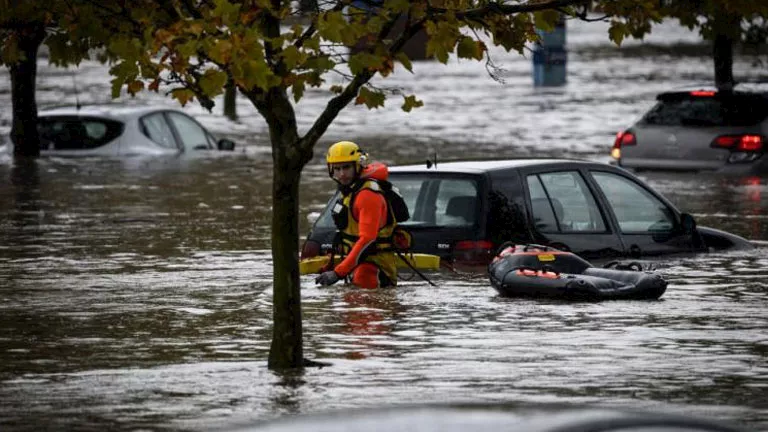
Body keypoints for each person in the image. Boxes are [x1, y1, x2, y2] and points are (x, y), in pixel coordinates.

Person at [315, 140, 399, 289]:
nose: (342, 174)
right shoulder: (350, 191)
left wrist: (338, 273)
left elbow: (367, 240)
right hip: (357, 266)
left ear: (358, 165)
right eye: (337, 168)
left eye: (346, 167)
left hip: (373, 271)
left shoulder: (367, 195)